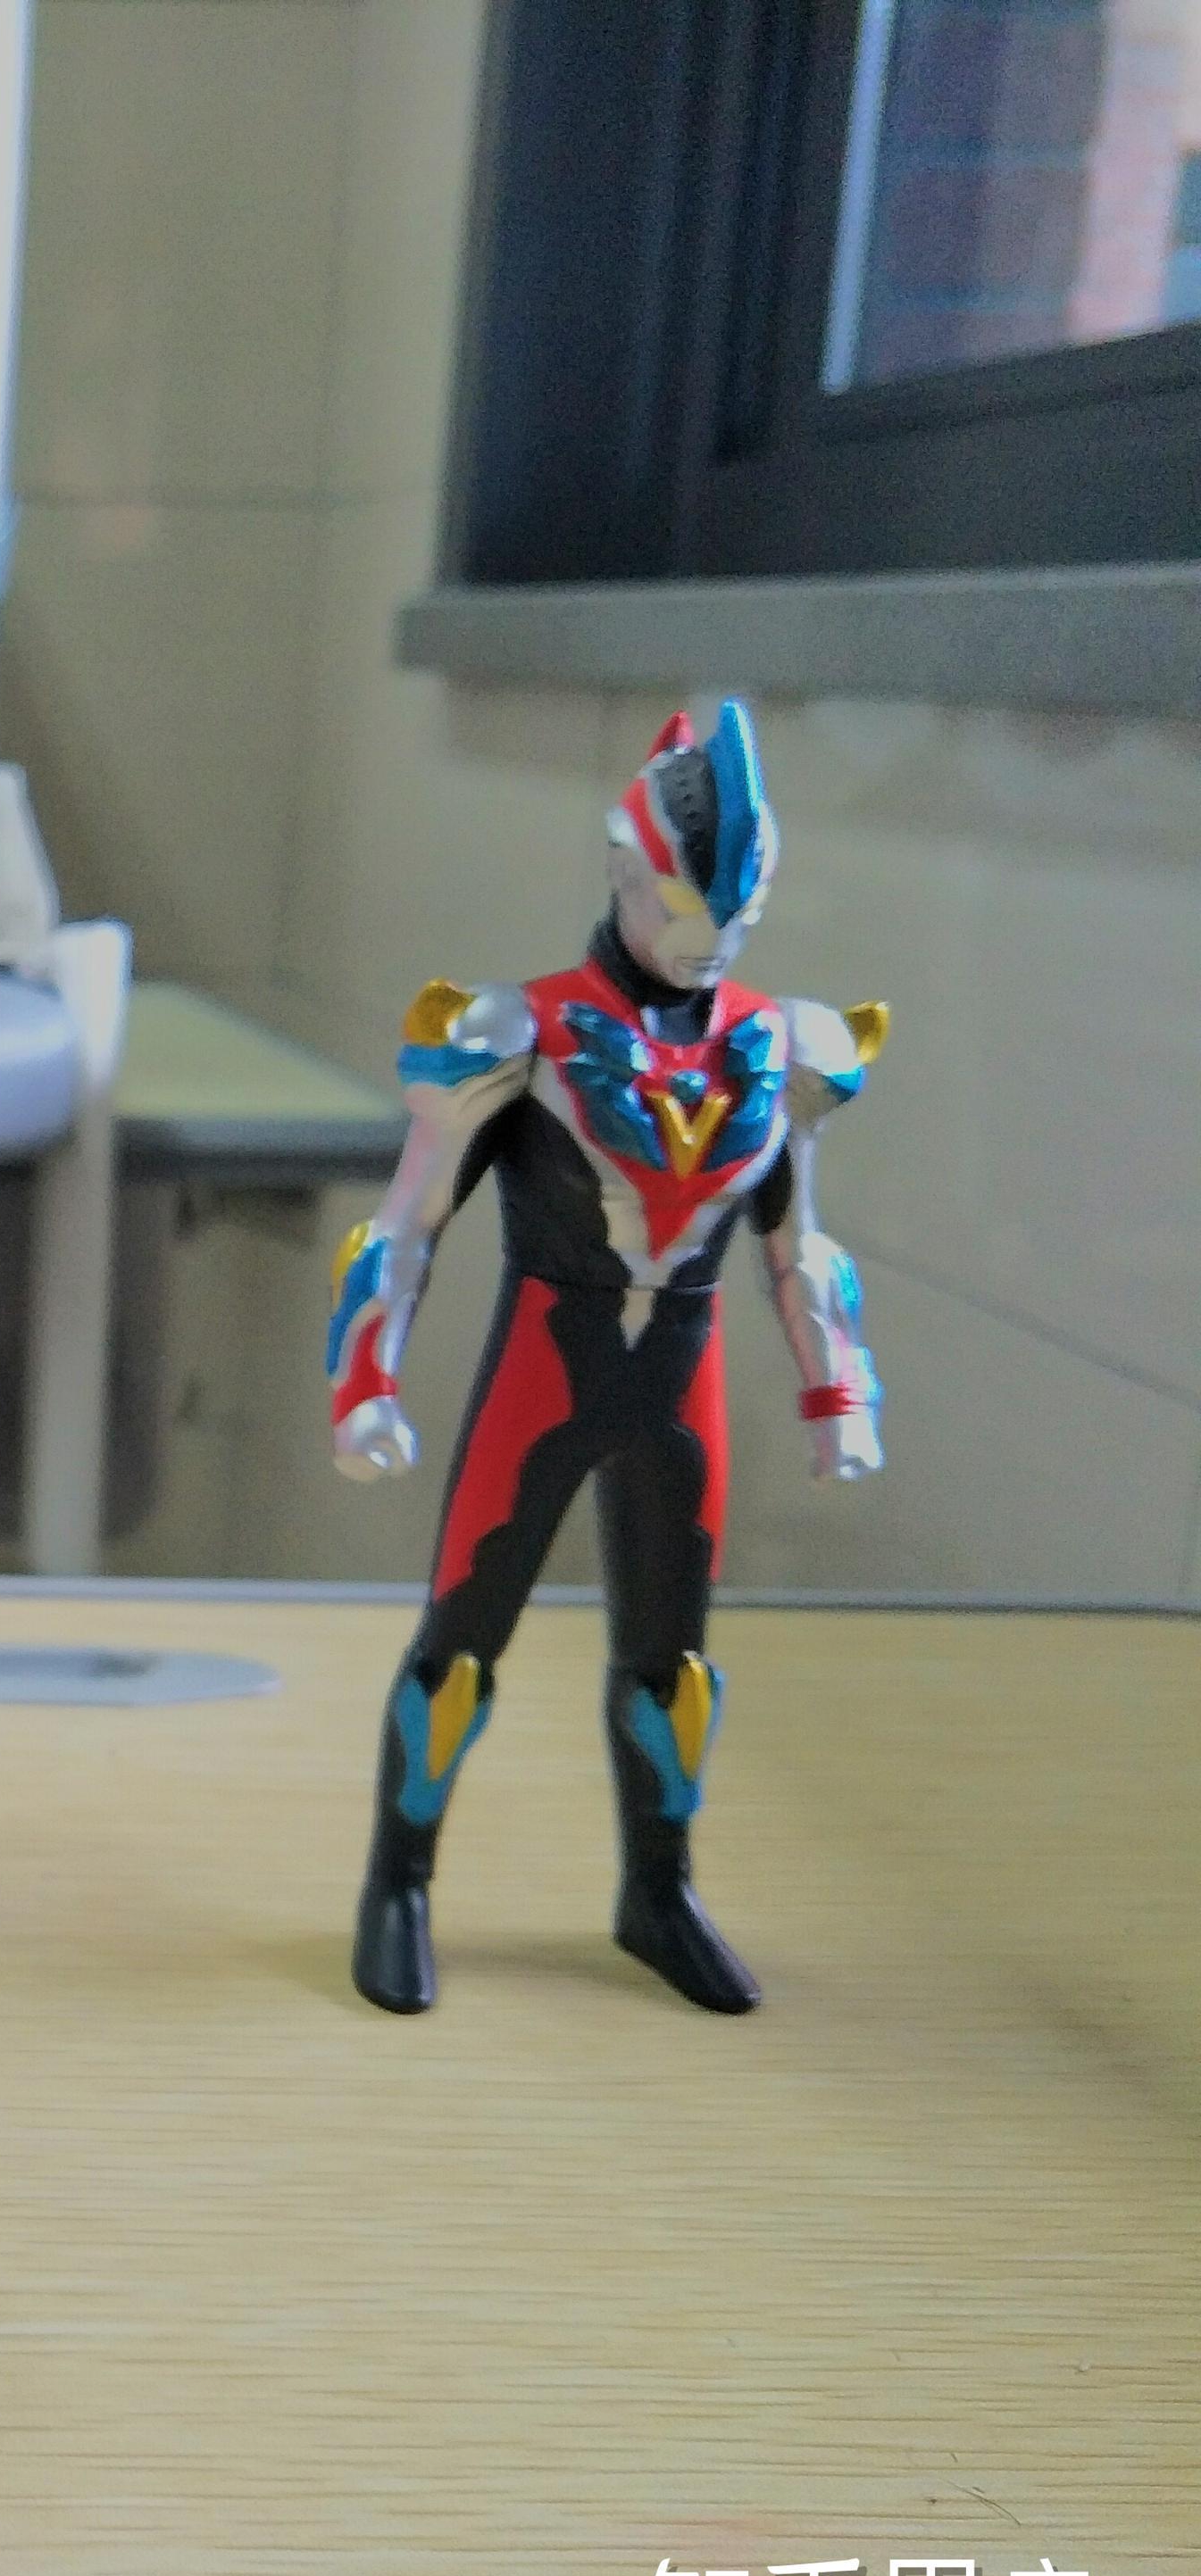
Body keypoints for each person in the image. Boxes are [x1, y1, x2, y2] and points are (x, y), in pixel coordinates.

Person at [325, 701, 886, 2017]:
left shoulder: (781, 1043)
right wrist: (366, 1383)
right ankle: (399, 1884)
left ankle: (660, 1891)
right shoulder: (513, 1031)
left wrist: (838, 1386)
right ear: (629, 872)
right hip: (549, 1353)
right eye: (685, 907)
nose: (708, 940)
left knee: (672, 1662)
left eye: (734, 915)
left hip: (682, 1365)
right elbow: (404, 1227)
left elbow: (799, 1240)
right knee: (464, 1642)